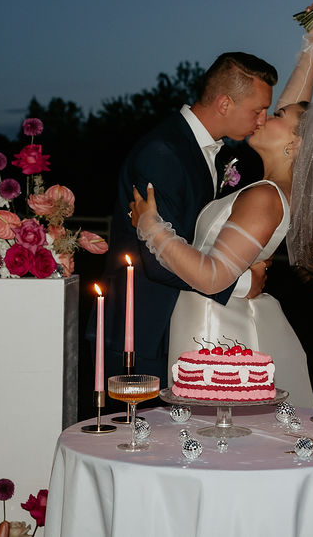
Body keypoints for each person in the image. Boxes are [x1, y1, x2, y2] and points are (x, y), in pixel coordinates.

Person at [131, 3, 313, 407]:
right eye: (262, 111)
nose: (263, 118)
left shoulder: (264, 196)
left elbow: (211, 277)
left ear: (295, 145)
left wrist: (150, 225)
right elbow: (299, 109)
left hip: (216, 328)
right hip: (215, 317)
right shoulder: (270, 183)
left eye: (273, 114)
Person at [102, 48, 279, 386]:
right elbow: (156, 260)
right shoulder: (163, 153)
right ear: (225, 104)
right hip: (142, 332)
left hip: (178, 325)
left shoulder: (204, 148)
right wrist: (242, 282)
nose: (263, 121)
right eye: (258, 110)